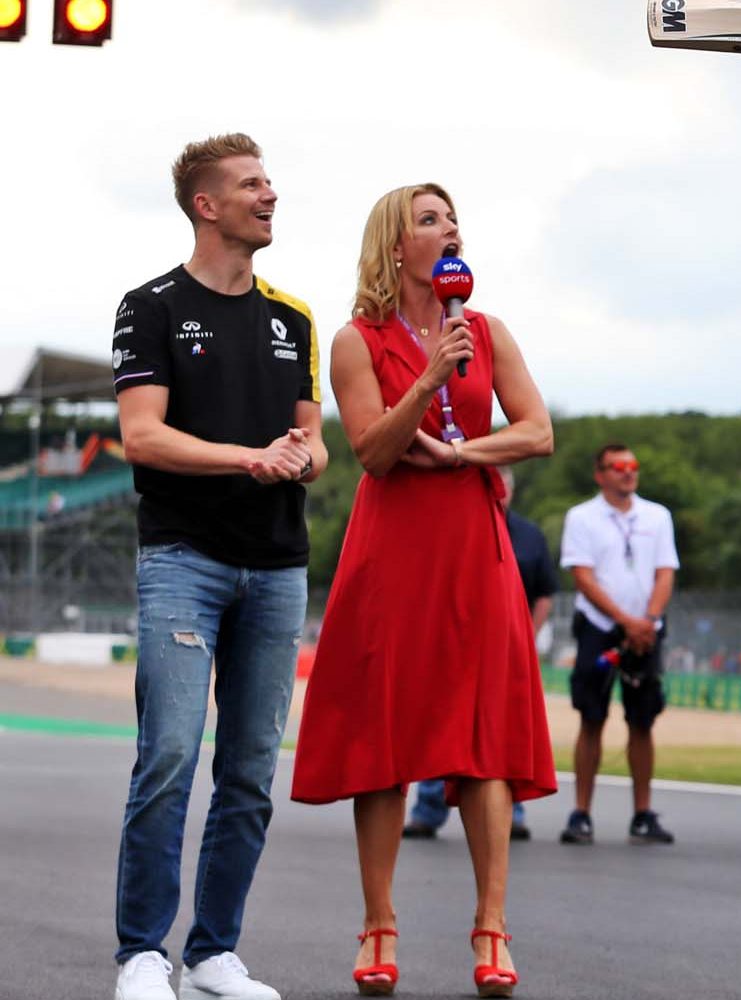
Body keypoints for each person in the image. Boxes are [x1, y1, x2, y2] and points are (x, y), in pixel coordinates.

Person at [290, 183, 556, 997]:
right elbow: (371, 450)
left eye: (454, 219)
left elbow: (537, 432)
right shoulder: (353, 339)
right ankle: (378, 922)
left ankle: (492, 925)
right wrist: (428, 380)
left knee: (482, 740)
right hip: (392, 552)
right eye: (431, 220)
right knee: (386, 737)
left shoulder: (488, 329)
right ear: (395, 246)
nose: (450, 230)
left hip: (474, 546)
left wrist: (464, 456)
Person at [111, 132, 324, 1000]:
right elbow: (141, 435)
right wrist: (248, 458)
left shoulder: (295, 318)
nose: (269, 195)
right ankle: (140, 955)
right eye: (250, 185)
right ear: (207, 204)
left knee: (249, 767)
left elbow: (314, 444)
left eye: (269, 182)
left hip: (278, 566)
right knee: (167, 755)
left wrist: (298, 458)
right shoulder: (150, 304)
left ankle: (212, 955)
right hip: (183, 560)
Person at [402, 467, 554, 843]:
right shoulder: (452, 526)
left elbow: (546, 592)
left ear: (510, 490)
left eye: (501, 486)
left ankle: (511, 812)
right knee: (441, 723)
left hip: (505, 645)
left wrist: (528, 636)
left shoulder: (530, 537)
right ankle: (428, 809)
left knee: (502, 729)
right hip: (454, 642)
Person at [557, 444, 680, 846]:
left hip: (646, 628)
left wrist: (648, 621)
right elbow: (583, 576)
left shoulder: (657, 516)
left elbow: (665, 571)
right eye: (618, 467)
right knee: (591, 717)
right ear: (600, 474)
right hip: (599, 626)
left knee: (642, 721)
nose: (628, 473)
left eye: (632, 466)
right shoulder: (582, 517)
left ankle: (642, 813)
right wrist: (624, 621)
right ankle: (581, 813)